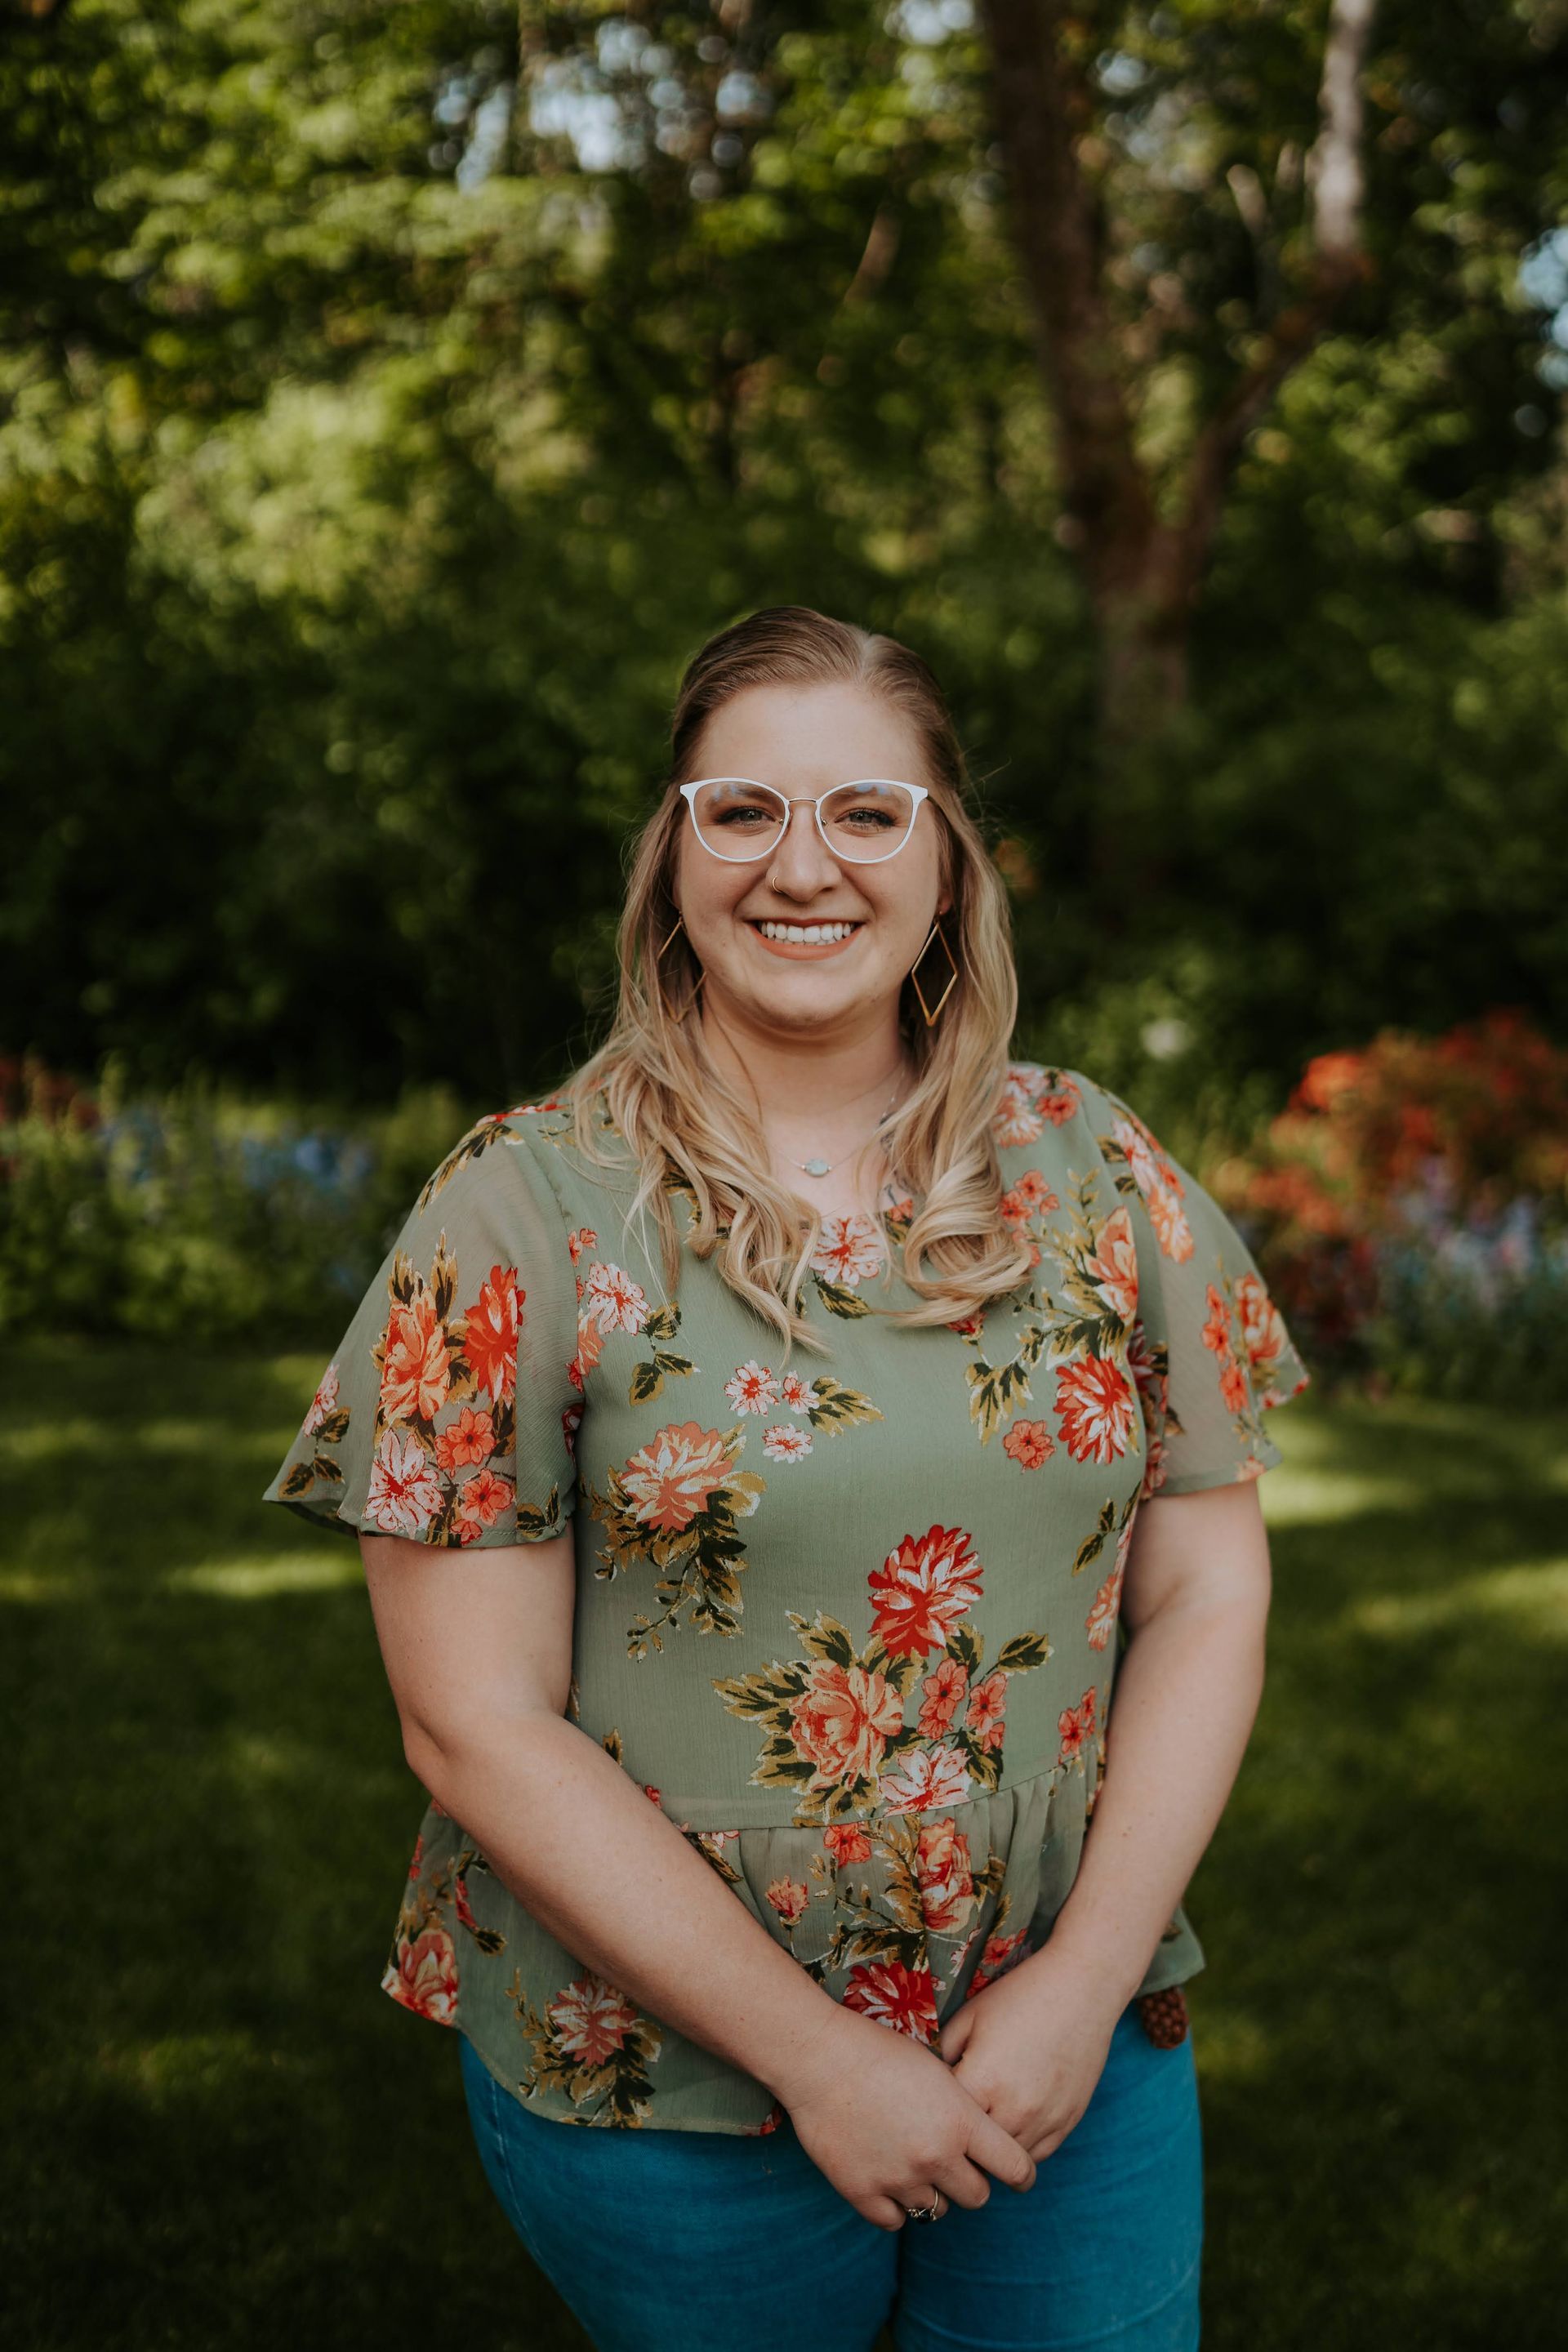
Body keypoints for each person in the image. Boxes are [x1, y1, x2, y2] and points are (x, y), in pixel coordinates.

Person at [263, 604, 1311, 2352]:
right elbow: (474, 1724)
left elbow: (1206, 1585)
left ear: (951, 862)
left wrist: (1087, 1977)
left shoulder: (1098, 1166)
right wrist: (824, 2061)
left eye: (867, 813)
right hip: (668, 2078)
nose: (800, 864)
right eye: (741, 810)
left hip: (1071, 2032)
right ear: (674, 856)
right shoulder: (521, 1208)